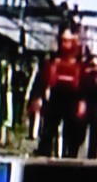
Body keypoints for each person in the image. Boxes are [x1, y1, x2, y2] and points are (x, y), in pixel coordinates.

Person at [30, 23, 90, 158]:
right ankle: (44, 153)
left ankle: (70, 156)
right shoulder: (52, 60)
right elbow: (42, 78)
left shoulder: (81, 63)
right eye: (63, 41)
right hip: (56, 97)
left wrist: (83, 102)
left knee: (72, 134)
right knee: (48, 129)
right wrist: (37, 97)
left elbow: (86, 84)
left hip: (73, 99)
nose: (65, 44)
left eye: (68, 41)